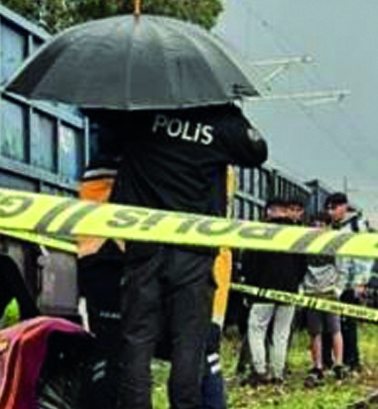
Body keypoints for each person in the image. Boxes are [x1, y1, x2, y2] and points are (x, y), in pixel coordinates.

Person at [91, 105, 268, 409]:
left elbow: (100, 118)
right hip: (194, 250)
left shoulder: (141, 111)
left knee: (137, 341)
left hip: (143, 245)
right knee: (189, 343)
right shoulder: (220, 119)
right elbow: (257, 151)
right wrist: (231, 111)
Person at [240, 197, 308, 384]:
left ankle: (260, 371)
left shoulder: (259, 231)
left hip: (262, 290)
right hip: (289, 291)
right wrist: (294, 282)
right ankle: (278, 374)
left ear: (269, 211)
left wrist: (250, 289)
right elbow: (303, 264)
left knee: (257, 329)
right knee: (281, 333)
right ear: (285, 211)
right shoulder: (297, 233)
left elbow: (249, 263)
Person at [325, 192, 371, 372]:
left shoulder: (356, 226)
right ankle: (334, 360)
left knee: (347, 323)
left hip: (349, 283)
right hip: (332, 283)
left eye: (334, 208)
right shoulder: (332, 228)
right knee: (331, 324)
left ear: (344, 206)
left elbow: (364, 255)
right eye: (328, 208)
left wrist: (360, 281)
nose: (331, 212)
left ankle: (352, 360)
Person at [301, 211, 346, 386]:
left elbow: (342, 270)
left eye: (322, 224)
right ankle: (317, 366)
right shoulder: (305, 246)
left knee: (335, 329)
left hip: (330, 294)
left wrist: (337, 290)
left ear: (328, 226)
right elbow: (302, 269)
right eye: (315, 224)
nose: (318, 227)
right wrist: (303, 290)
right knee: (315, 332)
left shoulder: (334, 245)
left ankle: (339, 364)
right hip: (311, 294)